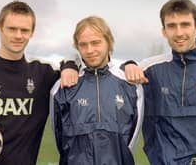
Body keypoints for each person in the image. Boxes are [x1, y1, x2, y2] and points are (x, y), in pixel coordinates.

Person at [0, 0, 78, 165]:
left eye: (24, 30)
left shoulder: (43, 73)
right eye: (12, 29)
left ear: (32, 32)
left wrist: (69, 66)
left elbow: (75, 59)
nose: (18, 35)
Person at [125, 0, 196, 164]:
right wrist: (128, 64)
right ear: (164, 31)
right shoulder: (148, 69)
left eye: (185, 24)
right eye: (172, 26)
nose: (179, 32)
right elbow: (107, 74)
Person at [50, 16, 144, 165]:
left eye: (96, 43)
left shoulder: (130, 84)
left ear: (108, 41)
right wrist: (69, 63)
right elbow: (58, 137)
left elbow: (132, 137)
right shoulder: (63, 85)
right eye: (83, 45)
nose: (90, 50)